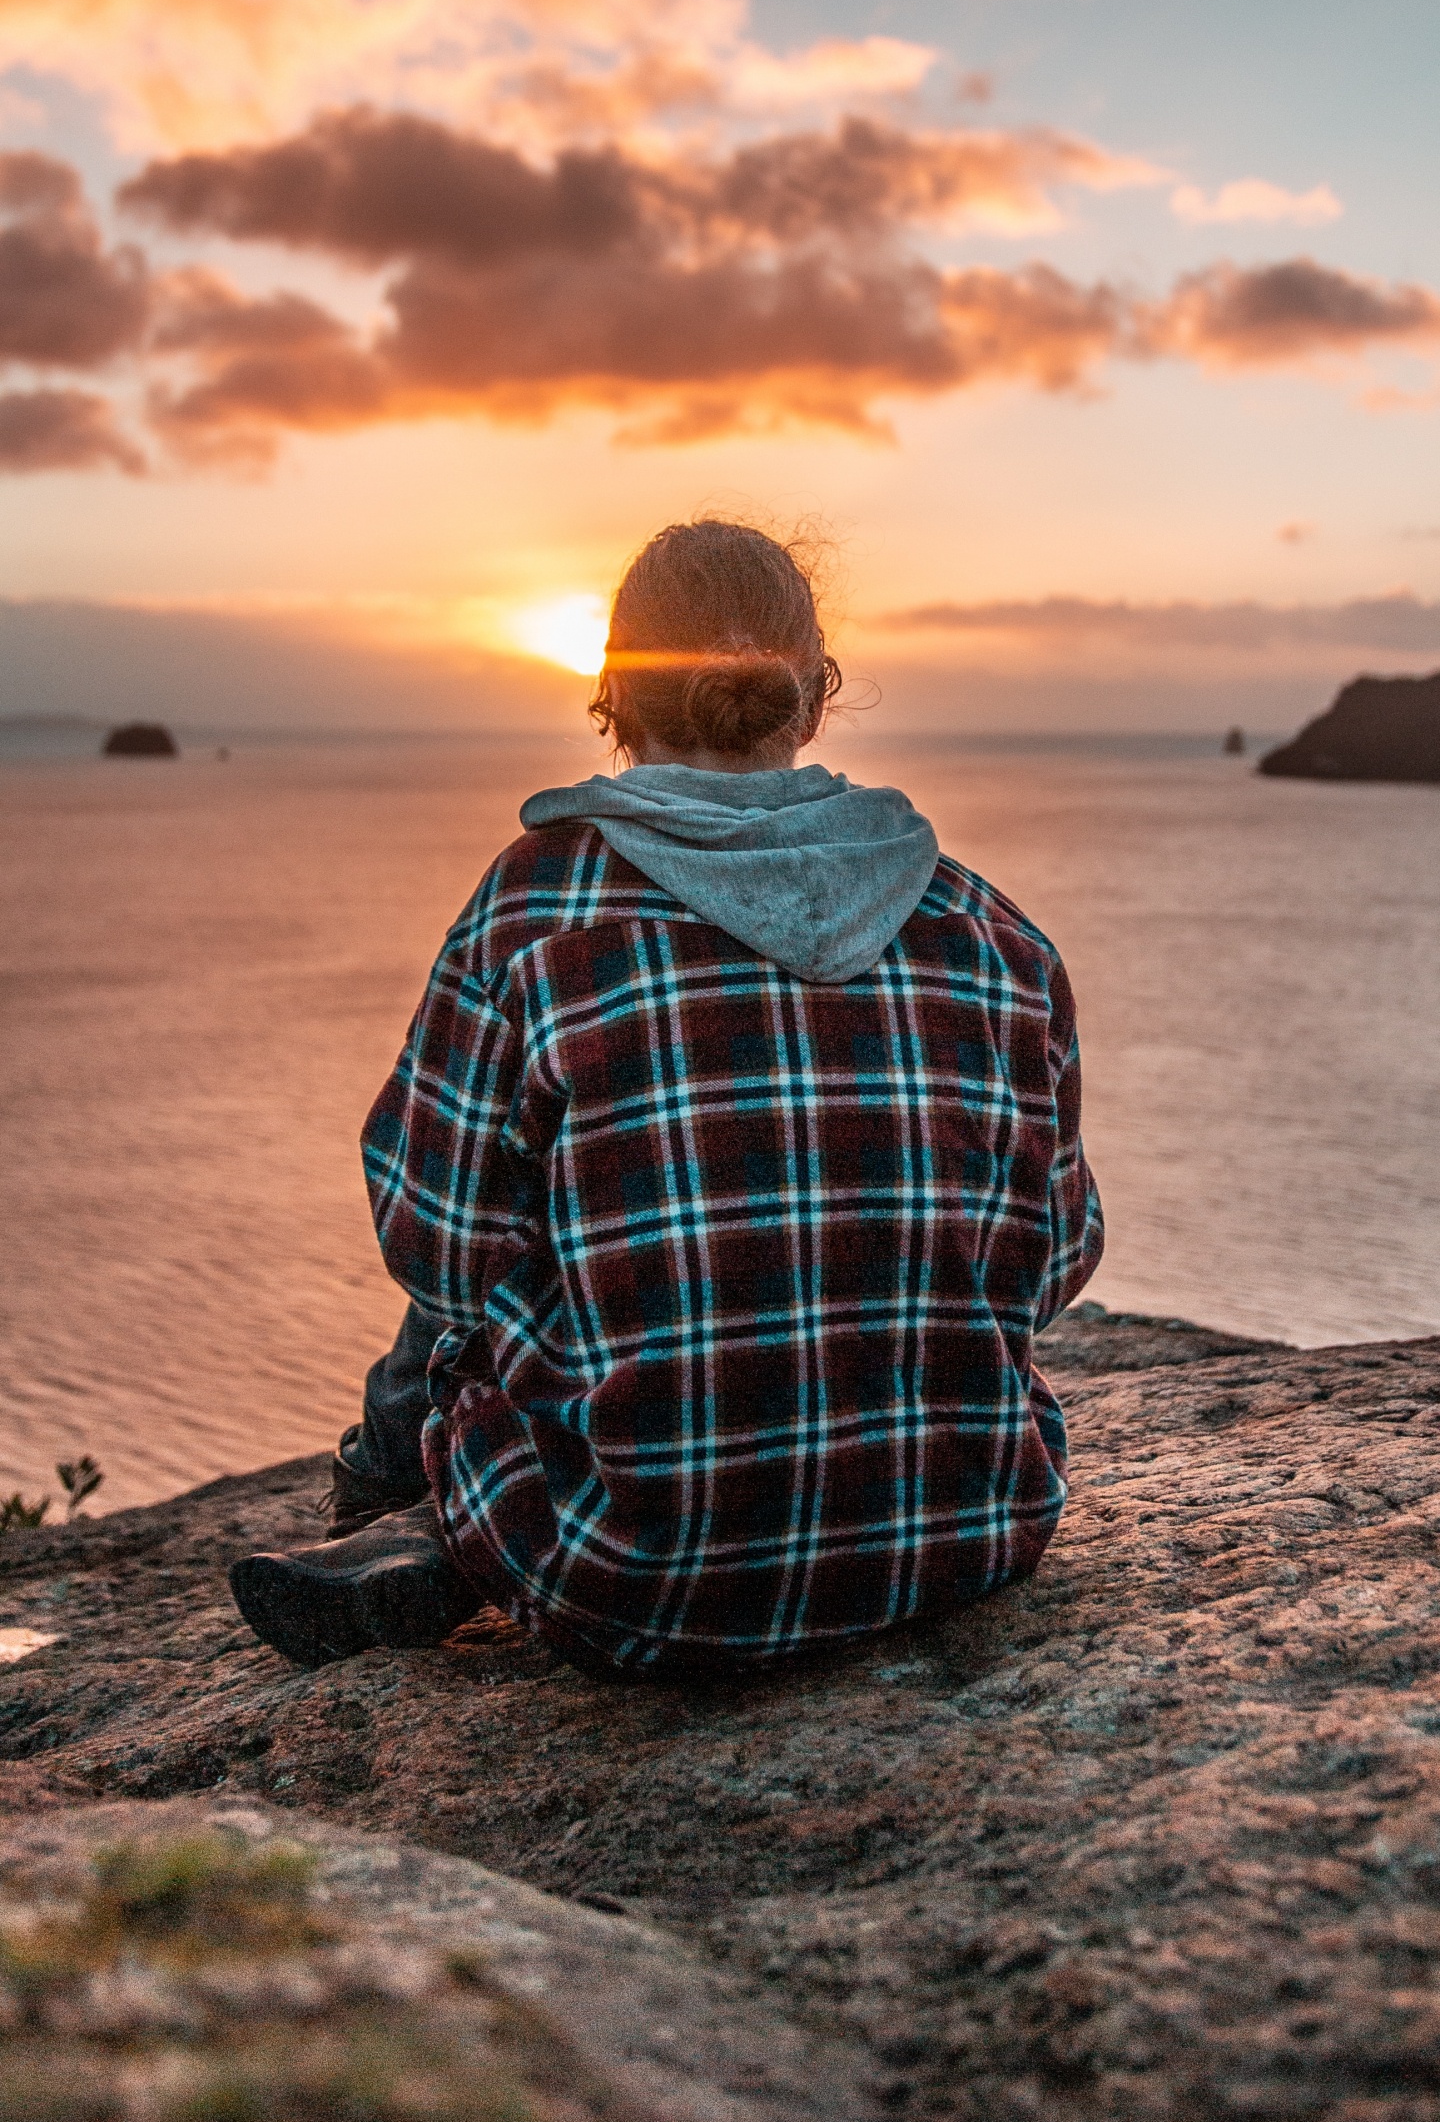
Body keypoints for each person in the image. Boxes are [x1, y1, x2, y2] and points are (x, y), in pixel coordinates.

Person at [230, 519, 1102, 1674]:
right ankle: (443, 1528)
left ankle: (401, 1510)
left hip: (637, 1576)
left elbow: (437, 1248)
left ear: (611, 697)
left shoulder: (538, 907)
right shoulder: (993, 933)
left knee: (482, 1257)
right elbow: (1056, 1258)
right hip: (961, 1536)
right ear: (815, 693)